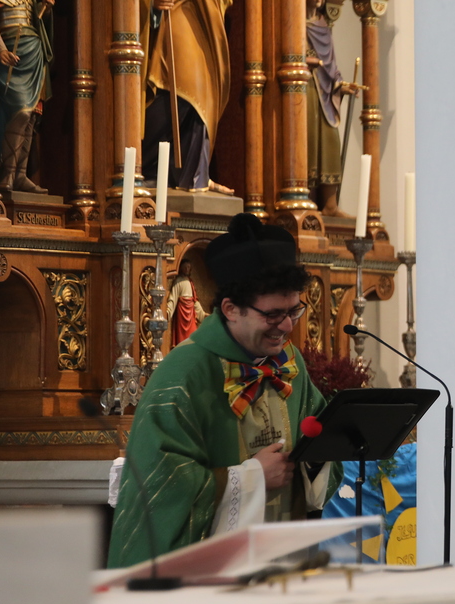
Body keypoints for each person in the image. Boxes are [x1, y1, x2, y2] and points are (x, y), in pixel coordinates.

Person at [108, 214, 339, 568]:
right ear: (231, 309)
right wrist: (252, 478)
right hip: (209, 574)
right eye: (273, 315)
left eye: (293, 311)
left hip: (283, 559)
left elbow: (319, 435)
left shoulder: (290, 361)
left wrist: (317, 459)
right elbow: (160, 487)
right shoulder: (184, 374)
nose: (287, 326)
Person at [138, 0, 232, 193]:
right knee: (182, 87)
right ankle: (145, 166)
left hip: (204, 17)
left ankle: (193, 173)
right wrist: (151, 5)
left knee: (201, 96)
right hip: (176, 13)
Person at [0, 0, 53, 194]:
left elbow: (37, 19)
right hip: (11, 50)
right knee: (21, 111)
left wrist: (45, 7)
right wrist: (0, 49)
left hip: (33, 52)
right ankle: (7, 173)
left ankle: (19, 175)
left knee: (31, 115)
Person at [306, 0, 358, 217]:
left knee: (330, 140)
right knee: (309, 142)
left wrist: (341, 85)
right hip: (305, 89)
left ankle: (330, 205)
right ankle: (306, 200)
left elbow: (331, 67)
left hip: (326, 95)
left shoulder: (323, 26)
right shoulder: (294, 25)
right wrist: (303, 61)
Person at [166, 258, 207, 347]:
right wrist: (168, 312)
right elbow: (173, 298)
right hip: (182, 313)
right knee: (182, 338)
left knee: (192, 336)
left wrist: (202, 314)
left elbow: (194, 300)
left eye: (188, 267)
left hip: (190, 313)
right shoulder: (178, 281)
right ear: (181, 268)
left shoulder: (190, 282)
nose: (187, 269)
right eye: (185, 267)